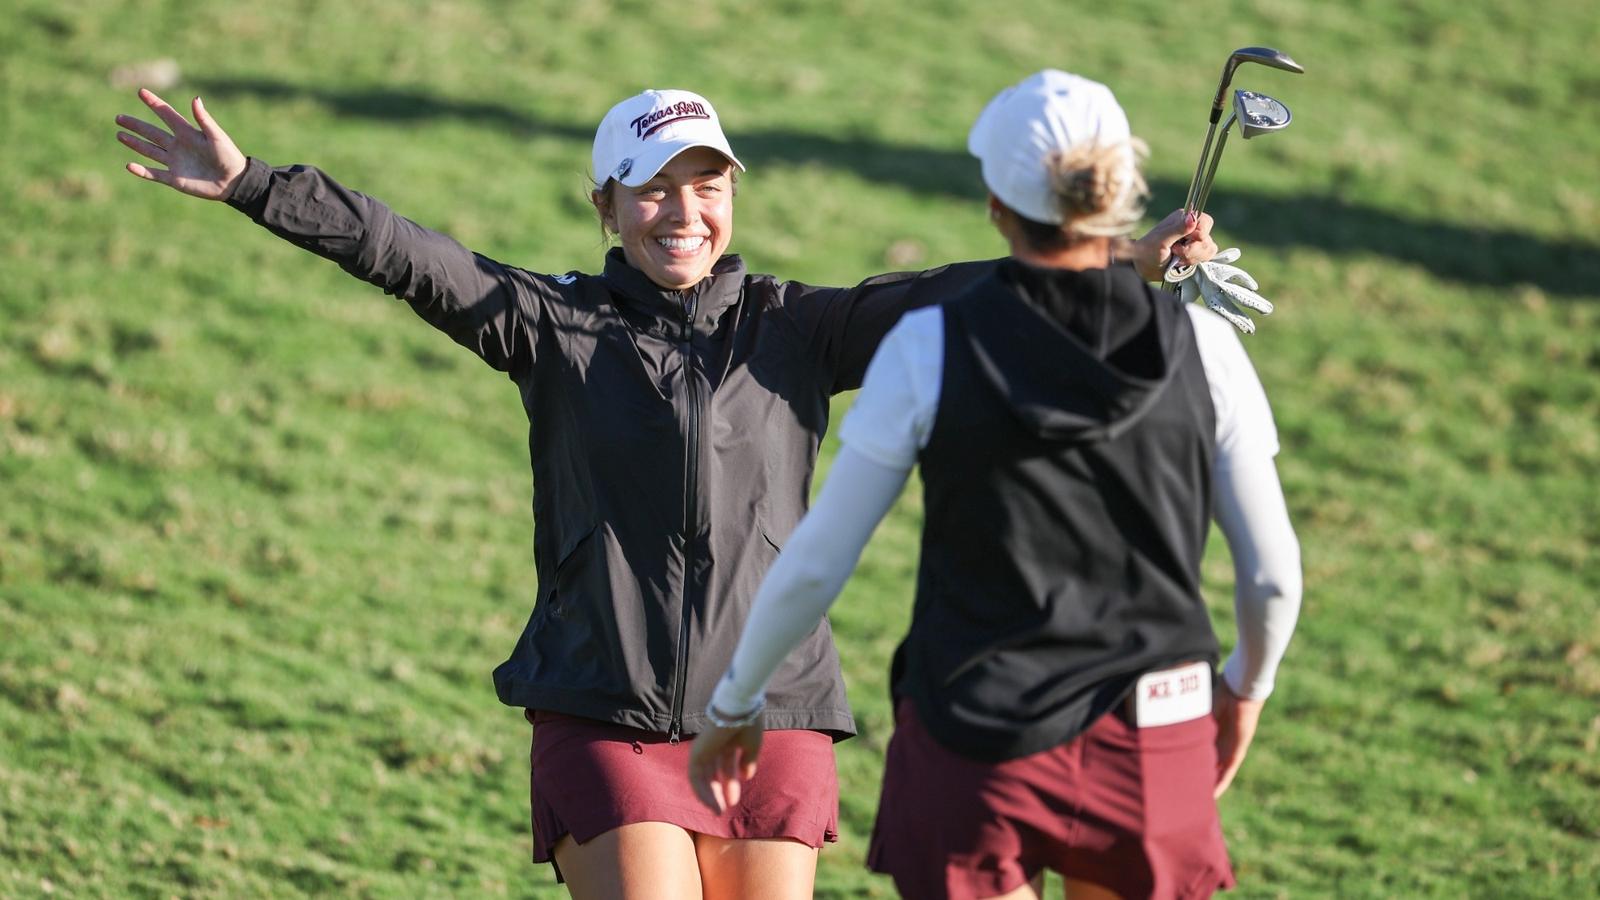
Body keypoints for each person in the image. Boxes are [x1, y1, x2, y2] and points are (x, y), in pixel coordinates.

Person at [114, 82, 1220, 899]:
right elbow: (411, 255)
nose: (682, 212)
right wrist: (257, 186)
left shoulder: (797, 327)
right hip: (607, 708)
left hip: (773, 714)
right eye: (652, 191)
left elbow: (952, 292)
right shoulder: (550, 326)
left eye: (705, 186)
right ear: (608, 207)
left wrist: (1113, 260)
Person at [689, 68, 1302, 900]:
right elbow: (1270, 577)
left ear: (996, 203)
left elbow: (817, 561)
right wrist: (1245, 692)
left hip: (974, 739)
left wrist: (734, 703)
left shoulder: (928, 347)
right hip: (1155, 732)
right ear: (1121, 189)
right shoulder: (1206, 346)